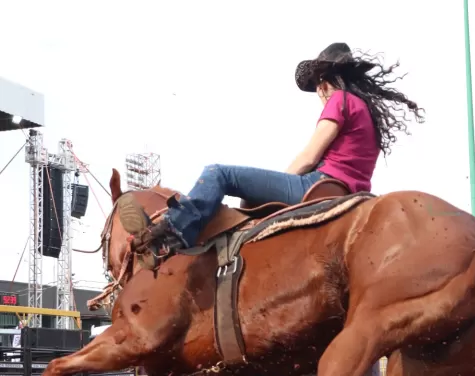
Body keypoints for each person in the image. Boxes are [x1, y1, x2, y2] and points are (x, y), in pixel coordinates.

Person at [118, 42, 424, 261]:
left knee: (218, 173)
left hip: (318, 185)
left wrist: (280, 181)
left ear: (324, 82)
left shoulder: (339, 99)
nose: (319, 93)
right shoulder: (366, 112)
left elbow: (310, 157)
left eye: (319, 86)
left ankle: (171, 231)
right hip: (348, 194)